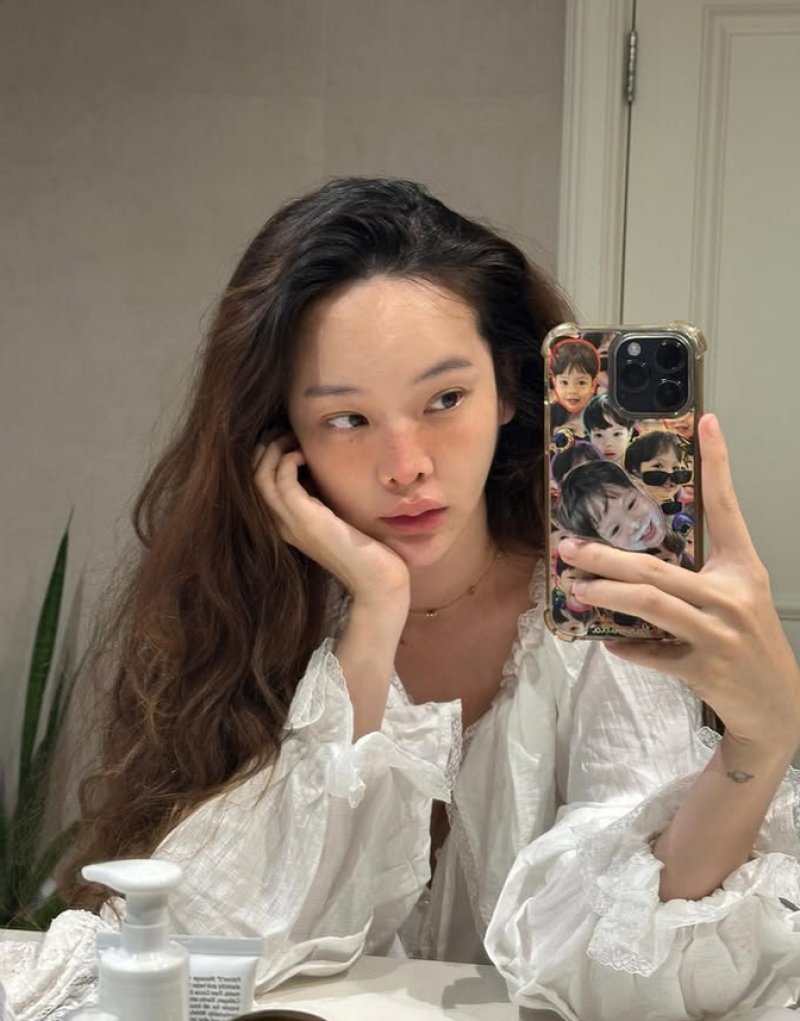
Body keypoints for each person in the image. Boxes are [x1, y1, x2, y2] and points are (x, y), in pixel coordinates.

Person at [3, 176, 800, 1021]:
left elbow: (632, 961)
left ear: (510, 389)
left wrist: (762, 739)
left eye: (445, 400)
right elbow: (211, 941)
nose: (406, 465)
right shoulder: (258, 616)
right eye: (348, 419)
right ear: (284, 433)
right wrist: (376, 610)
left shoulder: (592, 617)